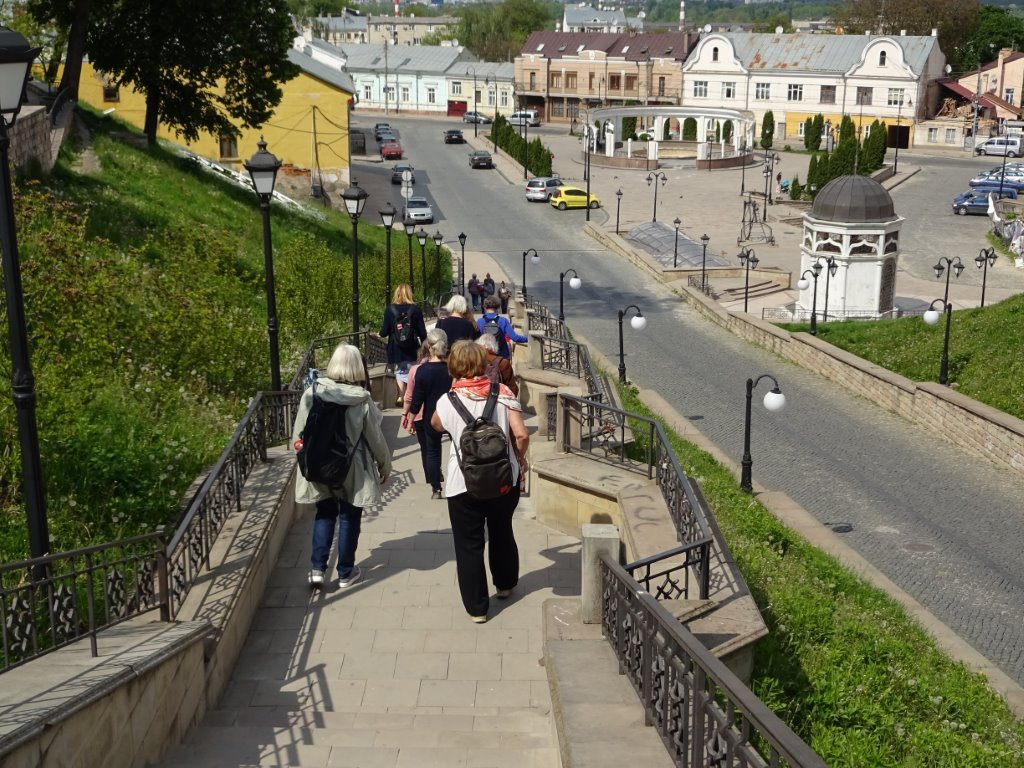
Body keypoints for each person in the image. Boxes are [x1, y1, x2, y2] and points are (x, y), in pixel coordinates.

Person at [431, 341, 529, 623]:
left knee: (468, 545)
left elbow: (436, 424)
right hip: (502, 480)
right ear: (482, 363)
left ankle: (477, 608)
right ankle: (505, 584)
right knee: (502, 532)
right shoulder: (504, 393)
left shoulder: (447, 400)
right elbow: (522, 435)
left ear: (453, 366)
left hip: (463, 483)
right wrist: (517, 460)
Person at [293, 343, 391, 589]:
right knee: (349, 516)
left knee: (325, 513)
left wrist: (307, 457)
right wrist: (384, 466)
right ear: (357, 367)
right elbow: (375, 440)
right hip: (352, 466)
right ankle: (346, 572)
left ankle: (317, 569)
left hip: (320, 463)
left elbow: (298, 436)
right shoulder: (361, 400)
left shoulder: (312, 393)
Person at [406, 328, 452, 499]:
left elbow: (417, 400)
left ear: (429, 346)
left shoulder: (422, 371)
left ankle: (436, 489)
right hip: (452, 414)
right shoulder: (450, 369)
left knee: (432, 451)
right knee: (459, 449)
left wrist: (410, 419)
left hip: (431, 416)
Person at [380, 284, 427, 406]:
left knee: (399, 372)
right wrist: (424, 347)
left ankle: (403, 396)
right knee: (412, 371)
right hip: (411, 346)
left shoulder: (390, 310)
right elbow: (422, 332)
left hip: (395, 347)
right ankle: (411, 396)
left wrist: (378, 334)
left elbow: (384, 332)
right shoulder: (415, 309)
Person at [477, 295, 528, 360]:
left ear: (484, 307)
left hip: (486, 356)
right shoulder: (503, 321)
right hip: (502, 356)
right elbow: (515, 338)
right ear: (498, 307)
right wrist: (529, 338)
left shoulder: (480, 321)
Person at [475, 333, 518, 397]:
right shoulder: (503, 363)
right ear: (494, 345)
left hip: (477, 398)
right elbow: (513, 390)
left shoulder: (474, 361)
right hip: (497, 402)